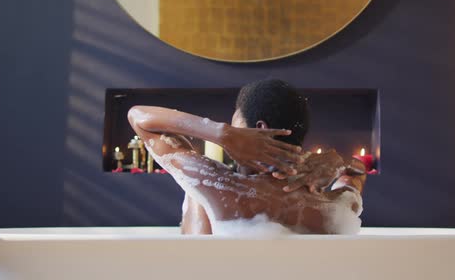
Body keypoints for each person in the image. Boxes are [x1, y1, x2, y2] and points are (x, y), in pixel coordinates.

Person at [128, 80, 366, 234]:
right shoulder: (336, 205)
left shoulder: (216, 186)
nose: (232, 130)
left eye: (235, 124)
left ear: (259, 128)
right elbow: (357, 175)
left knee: (196, 196)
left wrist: (221, 134)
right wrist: (339, 162)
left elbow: (137, 117)